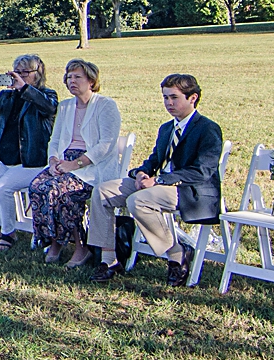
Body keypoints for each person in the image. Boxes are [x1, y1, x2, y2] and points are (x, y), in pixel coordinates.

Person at [70, 73, 222, 287]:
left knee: (138, 200)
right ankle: (108, 259)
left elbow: (202, 171)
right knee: (103, 191)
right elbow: (154, 159)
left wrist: (159, 180)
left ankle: (176, 254)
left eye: (174, 97)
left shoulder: (207, 128)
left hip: (190, 190)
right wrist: (140, 173)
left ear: (193, 98)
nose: (168, 103)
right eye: (165, 97)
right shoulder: (167, 128)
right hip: (158, 184)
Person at [0, 55, 59, 250]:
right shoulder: (6, 97)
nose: (18, 76)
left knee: (2, 187)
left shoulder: (47, 94)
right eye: (16, 71)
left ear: (37, 74)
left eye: (25, 72)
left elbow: (49, 107)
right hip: (3, 160)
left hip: (31, 162)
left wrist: (24, 88)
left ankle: (9, 232)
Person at [28, 60, 121, 261]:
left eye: (77, 77)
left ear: (91, 80)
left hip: (92, 165)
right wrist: (53, 161)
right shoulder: (66, 106)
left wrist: (74, 165)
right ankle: (54, 241)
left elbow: (106, 145)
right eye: (69, 77)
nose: (72, 81)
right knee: (37, 186)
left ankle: (80, 246)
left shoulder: (105, 105)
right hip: (63, 161)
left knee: (62, 191)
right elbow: (55, 139)